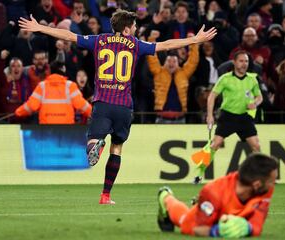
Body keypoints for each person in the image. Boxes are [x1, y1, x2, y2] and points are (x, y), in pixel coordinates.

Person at [18, 10, 217, 204]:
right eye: (135, 26)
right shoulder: (135, 44)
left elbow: (69, 36)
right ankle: (105, 195)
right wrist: (193, 40)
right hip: (123, 107)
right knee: (117, 148)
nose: (136, 29)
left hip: (103, 103)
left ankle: (95, 144)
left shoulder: (99, 40)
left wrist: (40, 27)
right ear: (127, 30)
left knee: (93, 140)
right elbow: (165, 45)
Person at [157, 153, 278, 238]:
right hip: (204, 219)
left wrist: (248, 228)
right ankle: (166, 197)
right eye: (272, 181)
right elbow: (197, 229)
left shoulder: (266, 189)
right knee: (183, 220)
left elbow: (257, 224)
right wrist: (217, 232)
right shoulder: (213, 191)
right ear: (256, 184)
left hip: (226, 215)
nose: (274, 185)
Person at [205, 50, 263, 170]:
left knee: (256, 146)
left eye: (246, 61)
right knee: (215, 145)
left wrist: (255, 103)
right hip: (228, 117)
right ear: (235, 62)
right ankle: (199, 173)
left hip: (244, 117)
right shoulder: (225, 78)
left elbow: (260, 96)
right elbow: (212, 96)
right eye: (241, 61)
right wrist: (209, 115)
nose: (244, 64)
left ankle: (260, 174)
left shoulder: (252, 79)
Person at [15, 61, 92, 124]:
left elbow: (31, 105)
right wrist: (97, 115)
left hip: (46, 129)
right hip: (67, 129)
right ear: (63, 70)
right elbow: (82, 105)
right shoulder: (70, 86)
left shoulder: (42, 86)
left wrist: (18, 112)